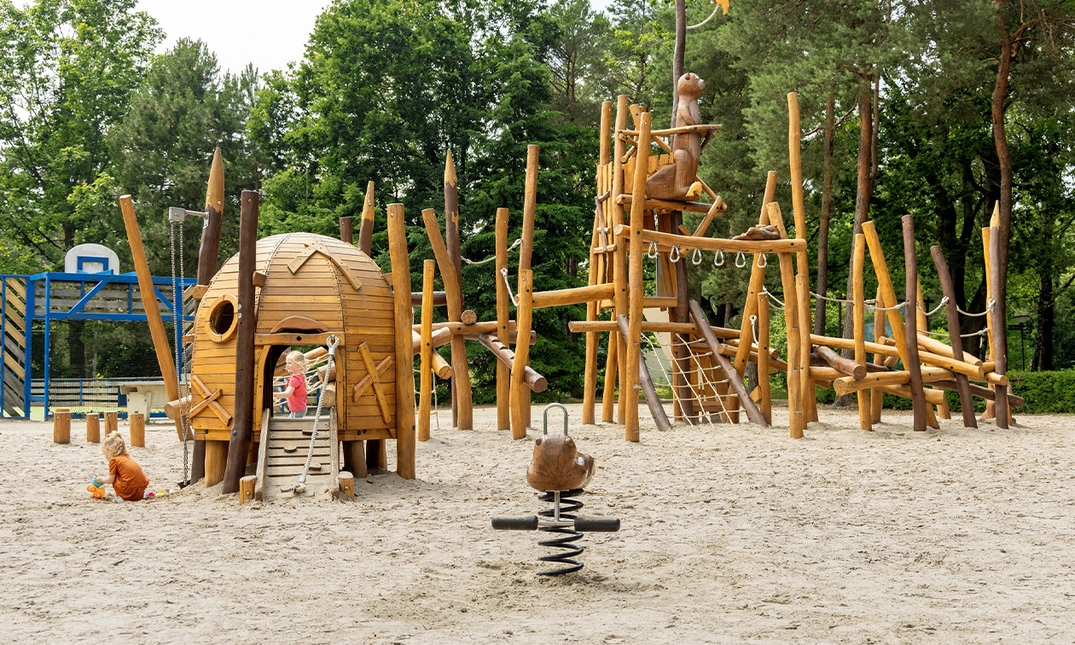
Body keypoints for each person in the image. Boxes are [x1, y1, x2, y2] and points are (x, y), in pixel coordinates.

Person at [95, 431, 149, 502]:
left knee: (115, 476)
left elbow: (110, 480)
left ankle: (123, 496)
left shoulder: (114, 460)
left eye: (105, 454)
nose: (105, 457)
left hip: (129, 490)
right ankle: (135, 495)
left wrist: (101, 479)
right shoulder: (126, 458)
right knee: (123, 475)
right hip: (140, 490)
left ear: (110, 451)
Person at [273, 350, 308, 418]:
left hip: (298, 409)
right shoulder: (300, 376)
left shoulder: (295, 379)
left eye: (289, 363)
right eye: (286, 363)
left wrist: (273, 394)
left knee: (291, 424)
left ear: (298, 366)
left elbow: (287, 394)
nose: (287, 365)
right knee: (289, 423)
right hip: (298, 409)